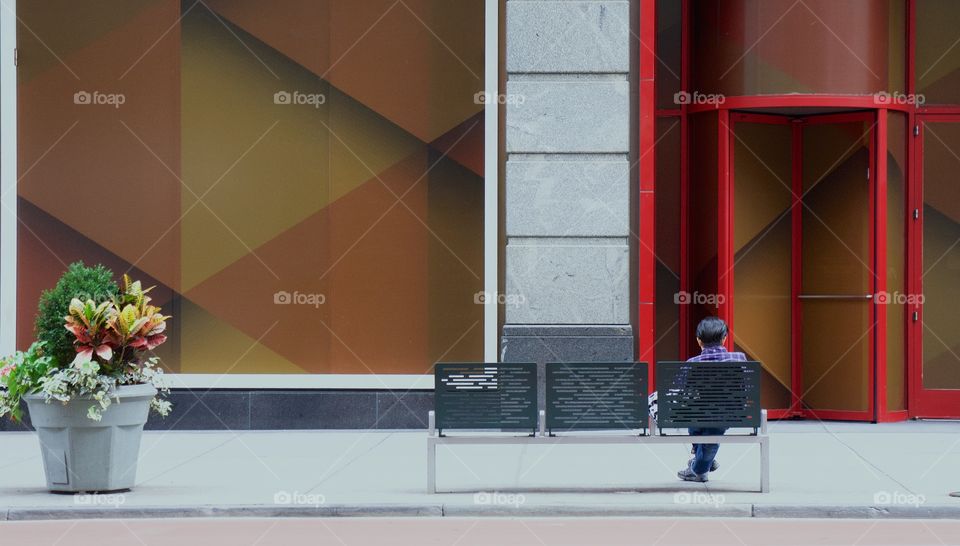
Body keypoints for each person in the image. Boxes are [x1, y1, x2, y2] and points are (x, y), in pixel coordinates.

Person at [677, 316, 747, 483]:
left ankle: (699, 467)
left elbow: (682, 395)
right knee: (713, 425)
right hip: (729, 415)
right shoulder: (739, 359)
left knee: (696, 417)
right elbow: (746, 390)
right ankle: (704, 461)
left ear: (698, 340)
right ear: (724, 339)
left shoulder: (691, 363)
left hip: (697, 417)